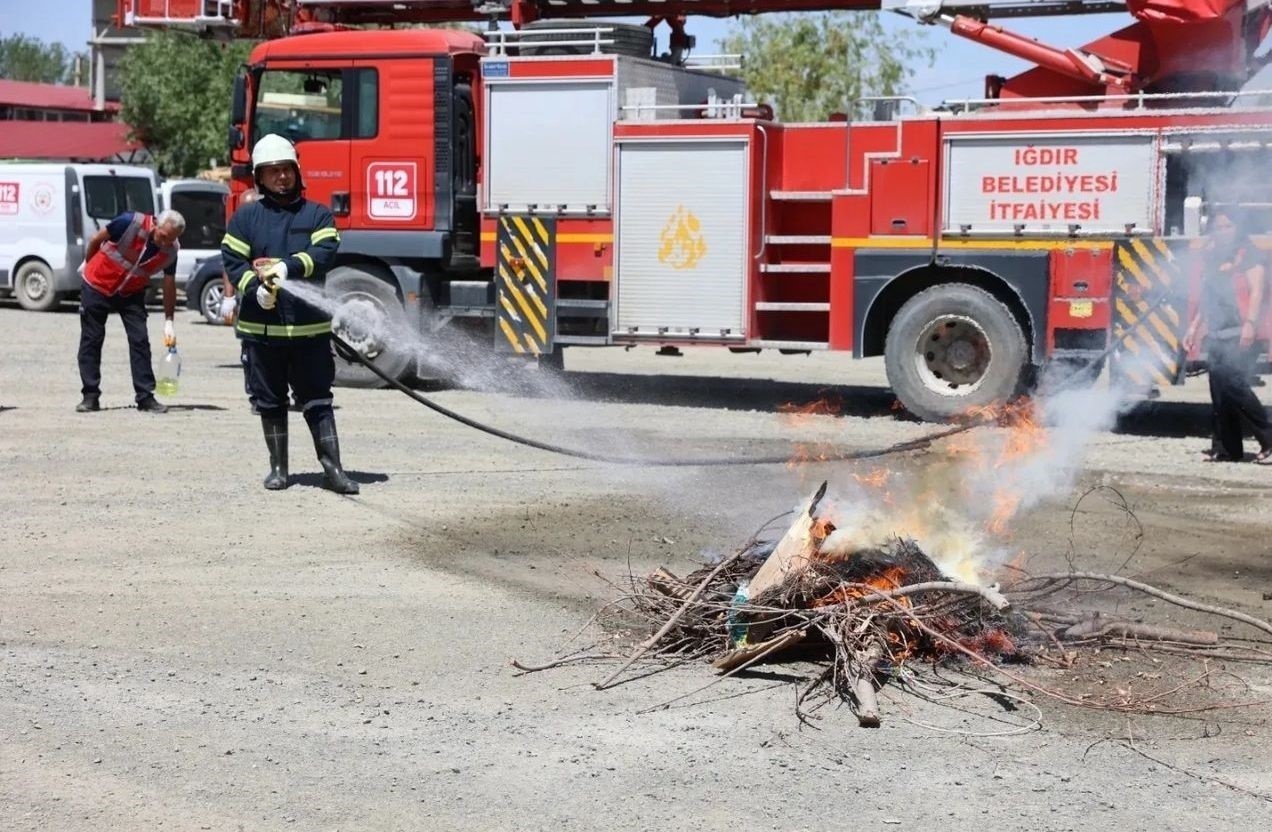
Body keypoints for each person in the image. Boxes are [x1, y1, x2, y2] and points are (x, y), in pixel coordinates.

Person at [220, 133, 358, 494]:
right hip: (262, 333)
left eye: (286, 170)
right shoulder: (246, 218)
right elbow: (233, 261)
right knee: (270, 401)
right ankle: (279, 469)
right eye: (272, 171)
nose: (281, 177)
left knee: (318, 399)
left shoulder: (317, 214)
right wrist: (255, 289)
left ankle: (334, 470)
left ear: (297, 172)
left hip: (309, 331)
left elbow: (326, 250)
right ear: (259, 178)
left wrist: (288, 268)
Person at [1183, 207, 1272, 463]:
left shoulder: (1248, 255)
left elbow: (1256, 291)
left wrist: (1251, 324)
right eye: (1218, 228)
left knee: (1236, 387)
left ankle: (1268, 440)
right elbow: (1207, 299)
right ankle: (1227, 448)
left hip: (1240, 331)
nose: (1222, 232)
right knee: (1219, 392)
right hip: (1218, 333)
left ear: (1237, 228)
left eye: (1227, 226)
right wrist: (1193, 327)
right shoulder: (1213, 259)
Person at [76, 208, 185, 414]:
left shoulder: (171, 251)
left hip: (130, 292)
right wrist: (87, 264)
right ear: (155, 223)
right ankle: (90, 396)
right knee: (92, 339)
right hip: (98, 284)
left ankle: (145, 397)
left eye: (170, 240)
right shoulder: (130, 222)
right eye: (162, 237)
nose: (164, 243)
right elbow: (96, 239)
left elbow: (168, 283)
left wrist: (169, 321)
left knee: (140, 340)